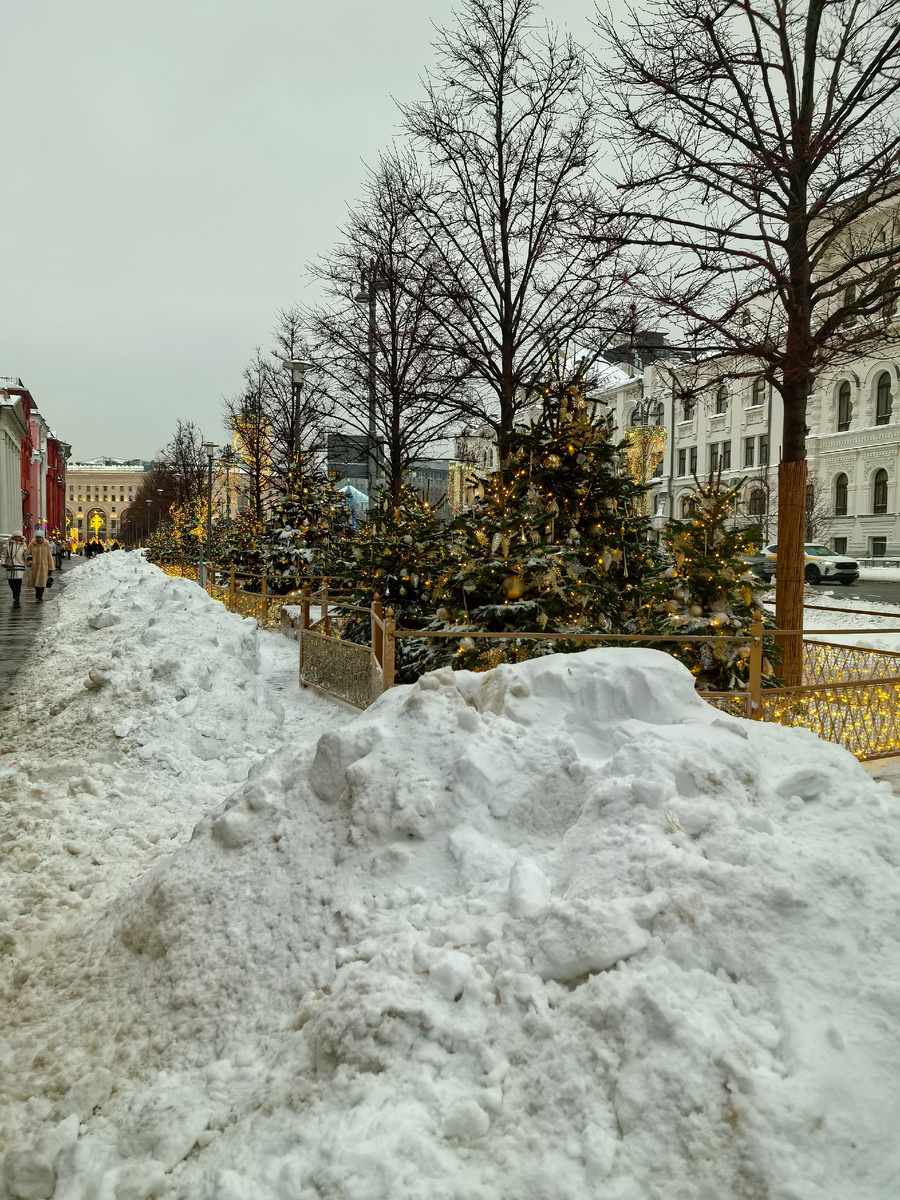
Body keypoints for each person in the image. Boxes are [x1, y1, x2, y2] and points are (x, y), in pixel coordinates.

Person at [26, 531, 54, 602]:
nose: (39, 539)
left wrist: (50, 568)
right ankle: (38, 594)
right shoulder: (32, 544)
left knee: (42, 582)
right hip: (34, 566)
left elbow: (49, 556)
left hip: (44, 567)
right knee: (35, 582)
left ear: (42, 538)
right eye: (37, 538)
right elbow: (26, 553)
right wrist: (29, 559)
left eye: (40, 538)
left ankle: (39, 596)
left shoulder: (46, 545)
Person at [3, 532, 28, 607]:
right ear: (13, 537)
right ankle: (15, 593)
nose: (17, 538)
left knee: (18, 581)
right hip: (10, 565)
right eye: (16, 537)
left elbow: (26, 555)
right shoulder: (8, 545)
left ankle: (17, 595)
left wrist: (28, 559)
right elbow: (4, 554)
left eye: (18, 537)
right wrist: (3, 562)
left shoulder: (23, 545)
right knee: (11, 581)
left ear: (21, 538)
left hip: (20, 565)